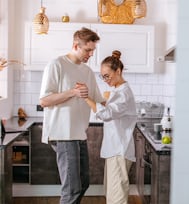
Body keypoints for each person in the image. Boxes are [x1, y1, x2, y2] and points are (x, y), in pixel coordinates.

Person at [39, 27, 103, 204]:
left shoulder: (87, 71)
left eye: (93, 50)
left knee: (83, 184)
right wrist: (72, 92)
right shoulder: (57, 65)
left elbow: (98, 99)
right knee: (72, 187)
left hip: (78, 133)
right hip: (63, 133)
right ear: (76, 45)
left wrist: (121, 97)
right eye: (87, 50)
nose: (90, 54)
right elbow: (44, 100)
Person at [84, 50, 137, 204]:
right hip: (114, 150)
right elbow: (110, 111)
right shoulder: (117, 91)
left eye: (107, 75)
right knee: (112, 194)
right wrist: (101, 101)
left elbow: (107, 114)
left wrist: (86, 97)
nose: (105, 79)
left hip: (119, 150)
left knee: (117, 198)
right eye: (102, 76)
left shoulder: (123, 94)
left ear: (118, 71)